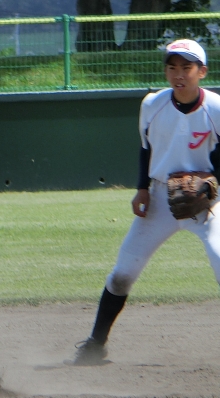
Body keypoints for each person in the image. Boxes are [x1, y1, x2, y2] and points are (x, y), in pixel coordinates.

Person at [70, 38, 220, 365]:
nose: (178, 74)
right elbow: (146, 148)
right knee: (122, 274)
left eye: (186, 67)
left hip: (207, 204)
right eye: (172, 67)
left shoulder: (216, 108)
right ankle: (95, 345)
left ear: (202, 72)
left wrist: (212, 184)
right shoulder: (153, 104)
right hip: (160, 198)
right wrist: (141, 189)